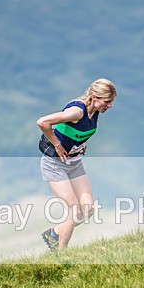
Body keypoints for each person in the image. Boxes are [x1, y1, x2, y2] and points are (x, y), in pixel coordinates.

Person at [37, 78, 117, 250]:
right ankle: (61, 253)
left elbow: (78, 132)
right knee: (74, 211)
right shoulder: (77, 112)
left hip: (74, 163)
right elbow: (43, 122)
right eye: (107, 102)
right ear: (95, 97)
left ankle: (54, 233)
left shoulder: (94, 111)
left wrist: (81, 144)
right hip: (54, 164)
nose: (110, 106)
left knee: (87, 210)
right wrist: (57, 145)